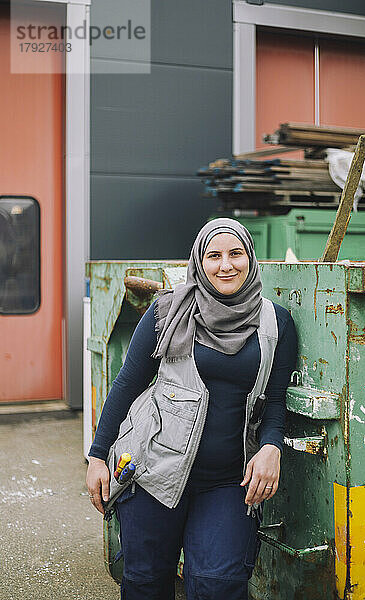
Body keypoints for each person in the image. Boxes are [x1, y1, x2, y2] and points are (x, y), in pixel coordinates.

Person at [86, 218, 297, 600]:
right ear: (199, 262)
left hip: (228, 481)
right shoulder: (166, 312)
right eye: (213, 255)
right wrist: (98, 456)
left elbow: (276, 399)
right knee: (145, 582)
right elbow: (126, 385)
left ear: (251, 259)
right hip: (153, 472)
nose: (226, 265)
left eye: (236, 254)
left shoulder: (276, 322)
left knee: (219, 585)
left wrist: (271, 446)